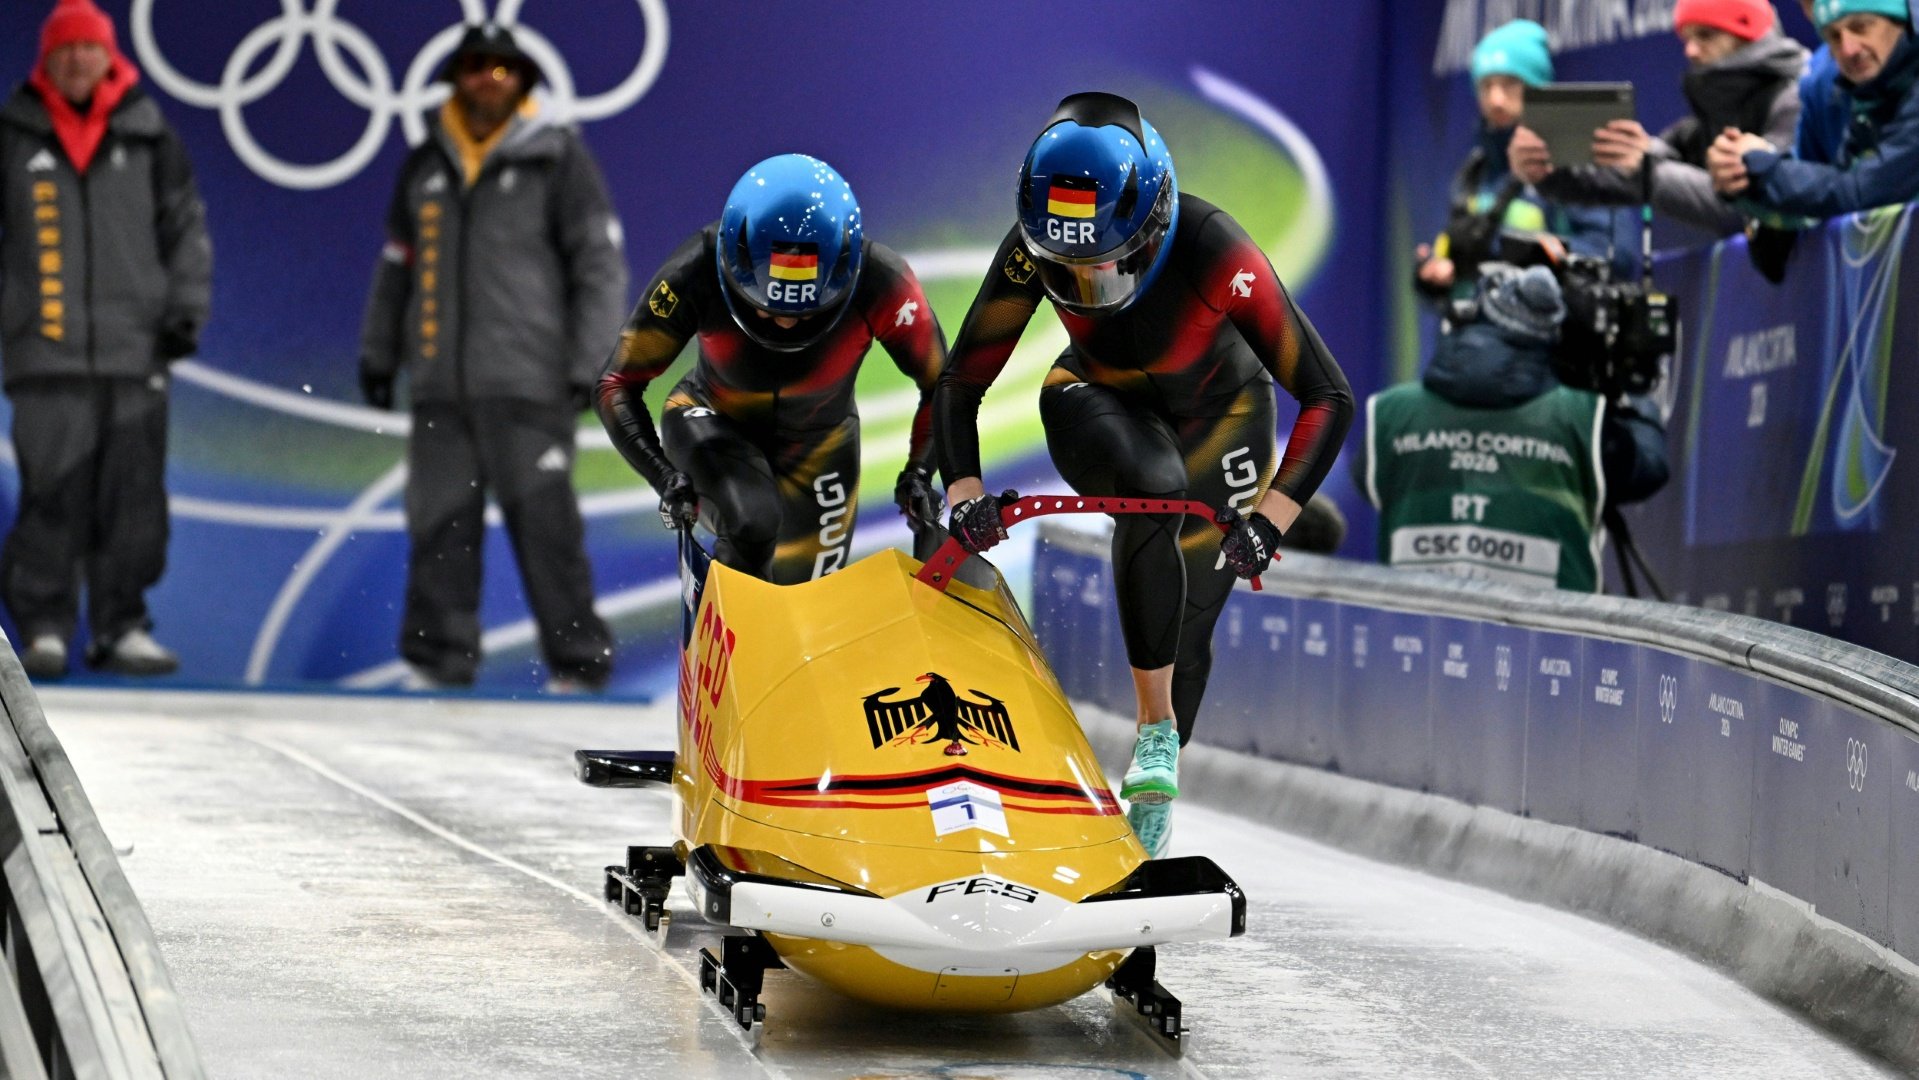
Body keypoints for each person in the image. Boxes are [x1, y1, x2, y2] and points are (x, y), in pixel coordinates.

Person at [933, 92, 1354, 857]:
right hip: (1097, 397)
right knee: (1153, 489)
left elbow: (1327, 395)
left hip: (1223, 415)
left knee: (1189, 632)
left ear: (1153, 227)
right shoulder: (1030, 246)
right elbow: (960, 382)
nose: (1088, 286)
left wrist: (1270, 520)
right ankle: (1154, 731)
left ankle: (1154, 777)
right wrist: (962, 491)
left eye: (1108, 266)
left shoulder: (1213, 247)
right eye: (1067, 272)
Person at [358, 23, 625, 693]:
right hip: (440, 387)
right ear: (456, 78)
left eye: (502, 69)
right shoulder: (425, 163)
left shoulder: (557, 159)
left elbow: (597, 265)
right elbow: (397, 266)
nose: (488, 79)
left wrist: (589, 364)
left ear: (523, 81)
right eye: (476, 67)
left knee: (548, 531)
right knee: (438, 529)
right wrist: (379, 352)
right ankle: (437, 665)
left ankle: (579, 668)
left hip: (529, 384)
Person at [596, 154, 945, 585]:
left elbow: (942, 385)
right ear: (731, 266)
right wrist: (663, 476)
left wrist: (919, 472)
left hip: (822, 445)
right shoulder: (697, 268)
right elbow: (617, 383)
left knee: (812, 600)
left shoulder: (882, 282)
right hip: (711, 416)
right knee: (751, 520)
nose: (785, 323)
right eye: (764, 307)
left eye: (808, 311)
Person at [0, 0, 210, 680]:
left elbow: (186, 229)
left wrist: (184, 311)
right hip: (44, 354)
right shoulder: (12, 134)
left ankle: (122, 626)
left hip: (134, 351)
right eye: (65, 49)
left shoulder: (149, 135)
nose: (77, 60)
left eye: (88, 48)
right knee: (50, 494)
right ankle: (45, 626)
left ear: (110, 56)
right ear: (46, 59)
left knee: (134, 499)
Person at [1363, 265, 1669, 592]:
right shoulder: (1581, 418)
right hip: (1549, 623)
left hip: (1416, 618)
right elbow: (1648, 467)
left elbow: (1366, 479)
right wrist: (1635, 392)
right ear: (1552, 336)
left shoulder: (1392, 412)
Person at [1510, 0, 1806, 244]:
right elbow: (1625, 176)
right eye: (1687, 39)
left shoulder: (1795, 99)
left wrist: (1648, 169)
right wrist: (1548, 172)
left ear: (1747, 35)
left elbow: (1763, 207)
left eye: (1706, 35)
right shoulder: (1702, 125)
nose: (1690, 51)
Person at [1417, 20, 1638, 301]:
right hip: (1475, 326)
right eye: (1486, 86)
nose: (1496, 100)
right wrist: (1434, 276)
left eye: (1510, 84)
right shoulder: (1473, 172)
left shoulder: (1575, 164)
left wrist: (1515, 256)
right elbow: (1454, 265)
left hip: (1548, 324)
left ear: (1536, 89)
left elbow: (1617, 255)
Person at [1708, 1, 1919, 220]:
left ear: (1902, 22)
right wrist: (1739, 175)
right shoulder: (1830, 83)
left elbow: (1864, 193)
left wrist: (1764, 169)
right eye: (1834, 37)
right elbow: (1811, 207)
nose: (1849, 49)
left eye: (1861, 27)